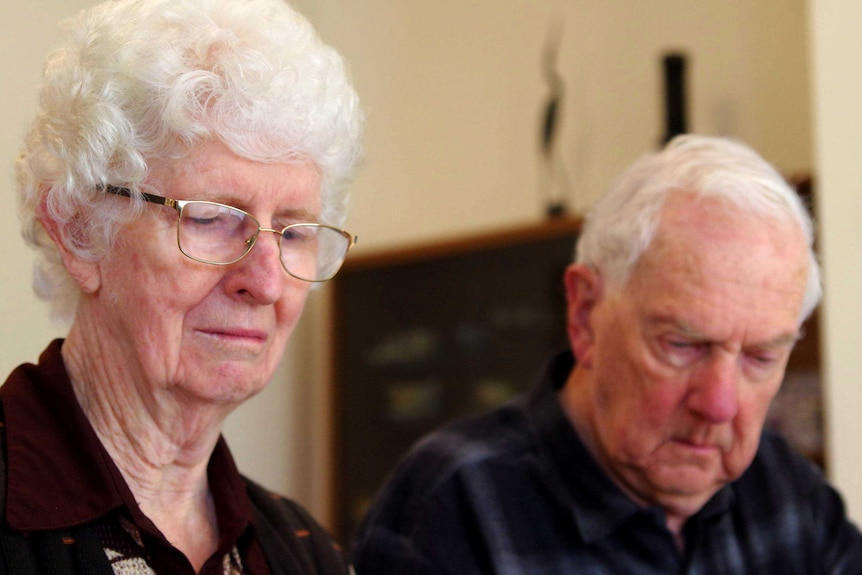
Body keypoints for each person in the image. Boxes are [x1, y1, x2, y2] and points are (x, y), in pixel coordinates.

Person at [353, 135, 862, 574]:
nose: (720, 405)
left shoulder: (785, 490)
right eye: (682, 345)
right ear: (584, 313)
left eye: (759, 357)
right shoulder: (454, 505)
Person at [3, 0, 363, 573]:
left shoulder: (305, 553)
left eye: (293, 232)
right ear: (77, 231)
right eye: (213, 218)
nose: (266, 282)